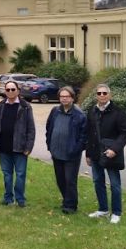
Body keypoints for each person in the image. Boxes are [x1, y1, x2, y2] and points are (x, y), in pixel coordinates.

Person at [85, 84, 126, 224]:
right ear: (96, 95)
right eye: (99, 93)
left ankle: (116, 212)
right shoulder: (92, 111)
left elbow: (125, 134)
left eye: (105, 93)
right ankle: (103, 209)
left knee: (115, 184)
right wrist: (88, 153)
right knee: (98, 181)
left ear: (109, 95)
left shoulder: (118, 112)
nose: (102, 95)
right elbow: (89, 134)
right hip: (95, 153)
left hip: (111, 154)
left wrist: (114, 149)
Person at [0, 80, 35, 207]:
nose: (10, 92)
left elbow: (31, 129)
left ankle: (20, 199)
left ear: (18, 91)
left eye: (12, 89)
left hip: (20, 148)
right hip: (3, 148)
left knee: (20, 175)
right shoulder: (1, 106)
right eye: (7, 90)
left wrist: (28, 147)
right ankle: (8, 198)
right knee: (7, 175)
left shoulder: (25, 107)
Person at [45, 86, 87, 214]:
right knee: (60, 179)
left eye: (67, 96)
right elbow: (49, 128)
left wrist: (76, 149)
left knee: (70, 181)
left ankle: (71, 206)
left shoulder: (79, 115)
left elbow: (84, 136)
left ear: (72, 98)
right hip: (56, 152)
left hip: (71, 155)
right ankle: (66, 200)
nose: (64, 99)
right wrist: (49, 144)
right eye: (62, 96)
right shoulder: (55, 111)